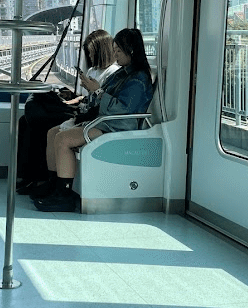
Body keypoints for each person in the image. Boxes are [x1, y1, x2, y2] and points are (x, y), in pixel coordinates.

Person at [33, 27, 154, 213]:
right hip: (104, 121)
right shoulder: (121, 73)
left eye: (118, 50)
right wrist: (92, 92)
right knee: (52, 133)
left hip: (116, 126)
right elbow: (102, 98)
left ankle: (64, 194)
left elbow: (122, 110)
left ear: (130, 50)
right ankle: (54, 184)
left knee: (63, 139)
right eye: (114, 50)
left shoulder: (138, 79)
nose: (115, 54)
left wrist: (97, 91)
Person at [16, 29, 118, 195]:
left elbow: (102, 102)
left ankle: (42, 178)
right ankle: (27, 175)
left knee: (41, 123)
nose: (90, 57)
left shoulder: (112, 73)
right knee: (24, 120)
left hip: (88, 115)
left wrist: (90, 93)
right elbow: (86, 98)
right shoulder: (93, 71)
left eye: (92, 53)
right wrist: (73, 98)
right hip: (82, 108)